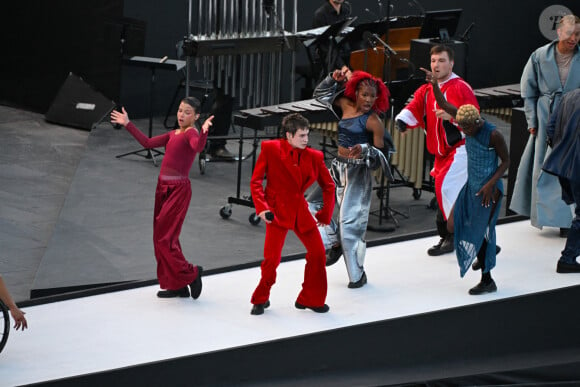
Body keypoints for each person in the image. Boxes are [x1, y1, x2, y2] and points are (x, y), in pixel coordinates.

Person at [110, 97, 212, 299]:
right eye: (180, 110)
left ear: (197, 116)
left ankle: (191, 273)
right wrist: (128, 124)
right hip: (162, 189)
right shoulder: (173, 133)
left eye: (188, 112)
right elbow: (147, 143)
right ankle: (177, 285)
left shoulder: (192, 133)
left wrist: (204, 131)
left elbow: (198, 147)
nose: (182, 115)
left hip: (178, 191)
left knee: (166, 240)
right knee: (160, 240)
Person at [395, 45, 479, 257]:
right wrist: (403, 122)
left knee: (445, 190)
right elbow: (414, 106)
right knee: (445, 193)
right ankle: (451, 236)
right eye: (433, 61)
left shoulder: (461, 88)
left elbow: (475, 119)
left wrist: (452, 117)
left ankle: (454, 235)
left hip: (460, 149)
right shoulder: (426, 89)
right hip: (441, 154)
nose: (436, 65)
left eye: (441, 60)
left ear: (452, 63)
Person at [249, 113, 335, 315]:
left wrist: (325, 214)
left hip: (300, 211)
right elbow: (256, 182)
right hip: (276, 212)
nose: (306, 139)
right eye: (302, 136)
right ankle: (260, 298)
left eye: (307, 135)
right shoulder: (270, 149)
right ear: (288, 135)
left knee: (318, 253)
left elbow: (329, 186)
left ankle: (311, 299)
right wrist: (262, 208)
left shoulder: (315, 157)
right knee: (272, 259)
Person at [313, 68, 392, 288]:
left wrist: (366, 149)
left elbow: (381, 159)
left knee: (350, 227)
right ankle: (334, 242)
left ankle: (357, 276)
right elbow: (319, 96)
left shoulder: (373, 121)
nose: (368, 99)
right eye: (364, 94)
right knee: (311, 204)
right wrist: (331, 79)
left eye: (372, 96)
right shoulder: (345, 104)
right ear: (355, 93)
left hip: (358, 174)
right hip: (338, 167)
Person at [510, 15, 580, 234]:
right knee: (544, 166)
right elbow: (528, 91)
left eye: (578, 34)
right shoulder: (539, 56)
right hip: (545, 117)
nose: (574, 38)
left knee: (571, 167)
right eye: (570, 33)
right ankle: (547, 215)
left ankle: (569, 221)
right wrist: (532, 120)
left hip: (574, 117)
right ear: (559, 32)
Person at [542, 89, 580, 273]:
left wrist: (561, 152)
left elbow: (551, 128)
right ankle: (568, 258)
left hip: (565, 165)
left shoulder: (568, 97)